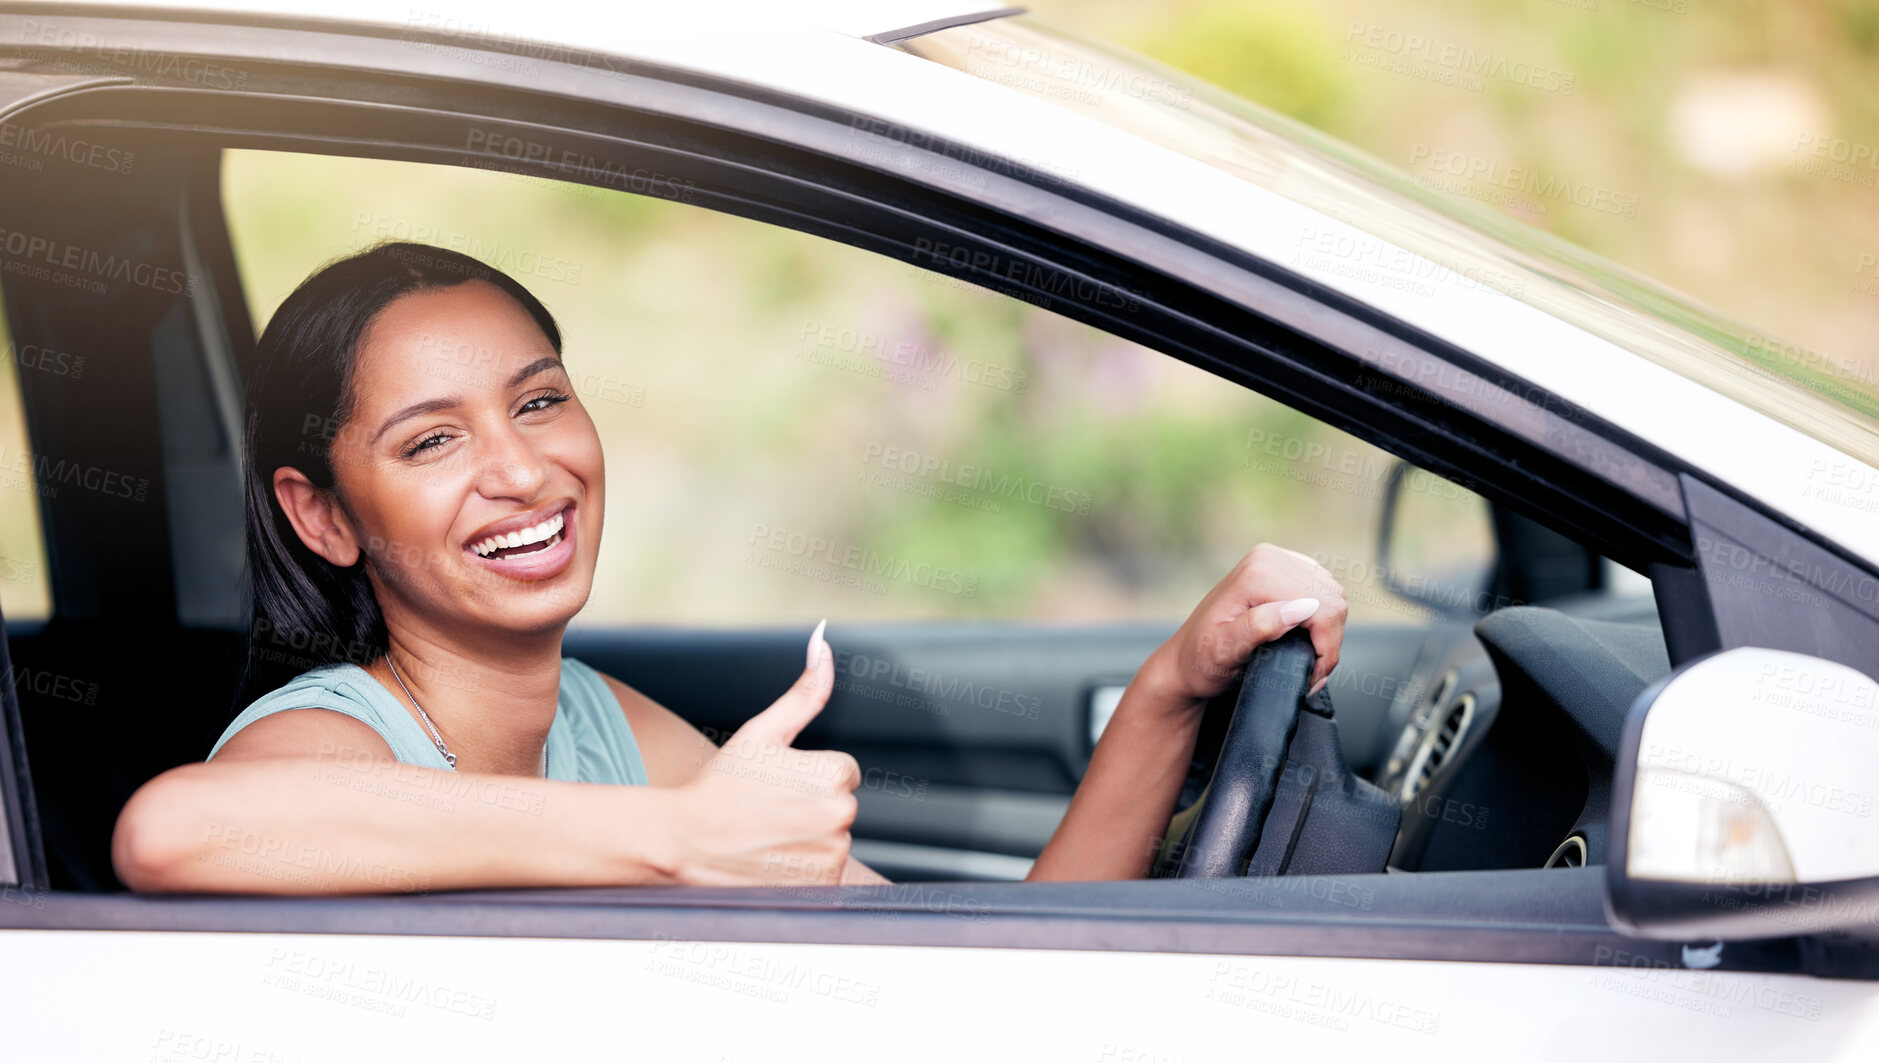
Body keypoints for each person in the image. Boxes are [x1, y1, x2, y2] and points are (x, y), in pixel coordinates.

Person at [109, 242, 1347, 893]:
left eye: (539, 402)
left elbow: (959, 959)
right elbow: (175, 830)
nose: (522, 471)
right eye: (433, 440)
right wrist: (681, 836)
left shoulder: (605, 723)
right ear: (321, 516)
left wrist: (1172, 686)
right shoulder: (340, 734)